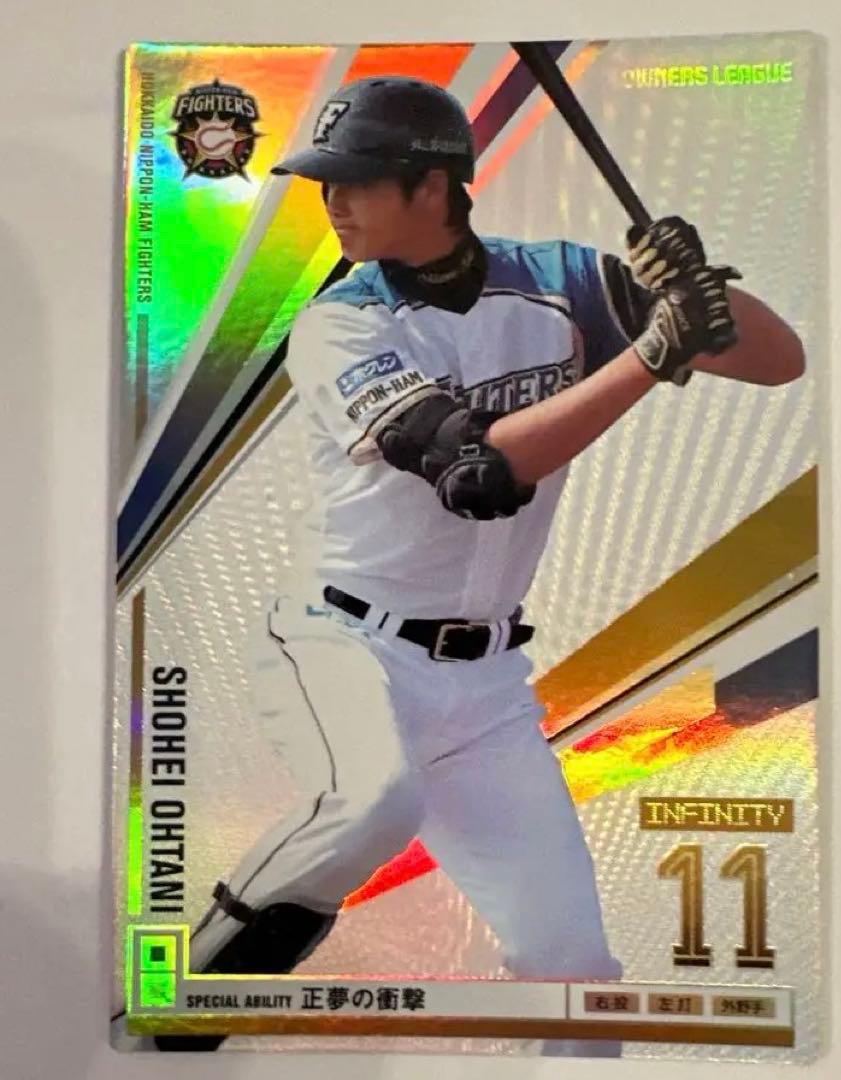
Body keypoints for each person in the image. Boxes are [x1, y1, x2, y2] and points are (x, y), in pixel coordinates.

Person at [156, 74, 804, 1054]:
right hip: (345, 641)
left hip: (487, 688)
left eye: (355, 180)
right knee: (373, 802)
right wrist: (649, 355)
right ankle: (175, 1013)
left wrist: (692, 290)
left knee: (576, 974)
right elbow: (478, 476)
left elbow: (776, 359)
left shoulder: (561, 280)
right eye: (326, 181)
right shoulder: (342, 321)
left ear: (432, 186)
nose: (332, 201)